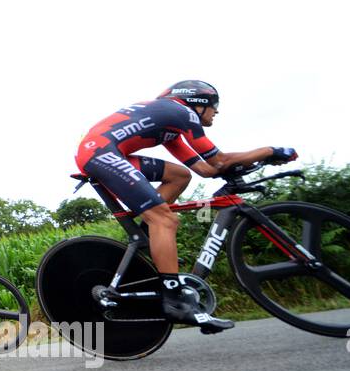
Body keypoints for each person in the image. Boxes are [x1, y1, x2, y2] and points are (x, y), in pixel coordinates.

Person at [76, 80, 296, 332]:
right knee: (166, 220)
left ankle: (148, 234)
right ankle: (176, 301)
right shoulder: (182, 112)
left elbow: (206, 168)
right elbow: (221, 160)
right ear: (199, 103)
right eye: (215, 105)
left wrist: (242, 168)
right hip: (102, 154)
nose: (217, 112)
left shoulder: (169, 128)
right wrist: (270, 151)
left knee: (179, 175)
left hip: (103, 152)